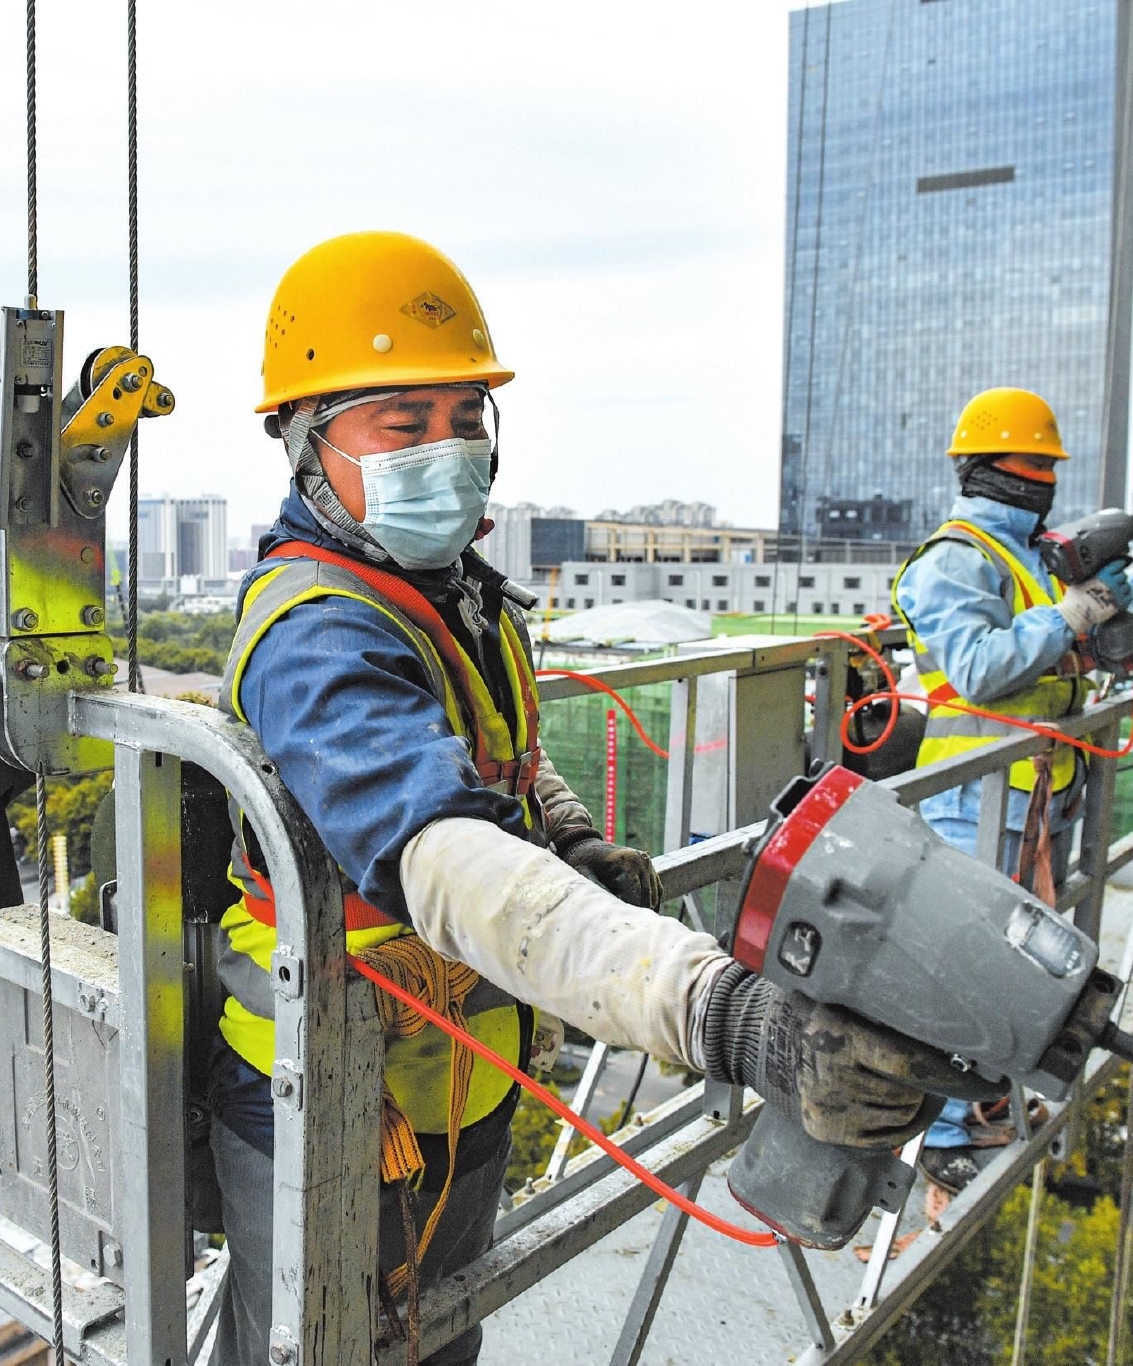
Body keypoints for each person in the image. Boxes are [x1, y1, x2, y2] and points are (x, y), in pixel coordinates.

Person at [206, 232, 961, 1364]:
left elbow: (498, 753)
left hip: (458, 1057)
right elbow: (440, 848)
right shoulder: (314, 631)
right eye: (398, 424)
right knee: (322, 1346)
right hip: (323, 1078)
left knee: (441, 1330)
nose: (444, 449)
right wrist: (718, 1012)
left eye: (464, 418)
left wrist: (561, 831)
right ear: (307, 447)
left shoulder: (448, 588)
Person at [889, 387, 1133, 1201]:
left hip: (1039, 790)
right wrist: (1071, 613)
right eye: (1030, 466)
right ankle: (943, 1133)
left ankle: (981, 1097)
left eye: (1046, 468)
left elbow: (1097, 648)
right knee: (968, 960)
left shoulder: (1032, 557)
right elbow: (984, 666)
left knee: (1019, 959)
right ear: (986, 469)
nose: (1042, 480)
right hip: (976, 792)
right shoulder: (958, 558)